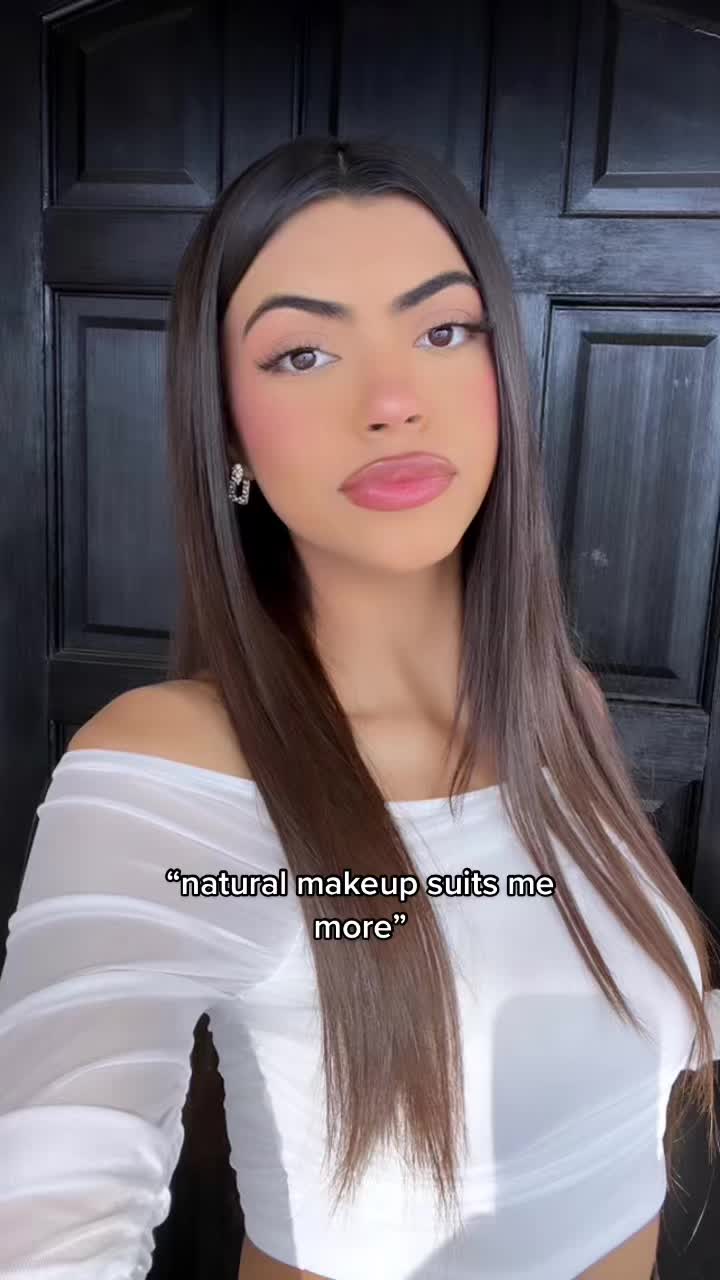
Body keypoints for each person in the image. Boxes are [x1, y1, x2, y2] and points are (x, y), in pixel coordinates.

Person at [0, 135, 718, 1280]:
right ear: (226, 430)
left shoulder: (560, 705)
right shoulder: (173, 767)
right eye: (302, 353)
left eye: (443, 332)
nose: (392, 401)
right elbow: (50, 1215)